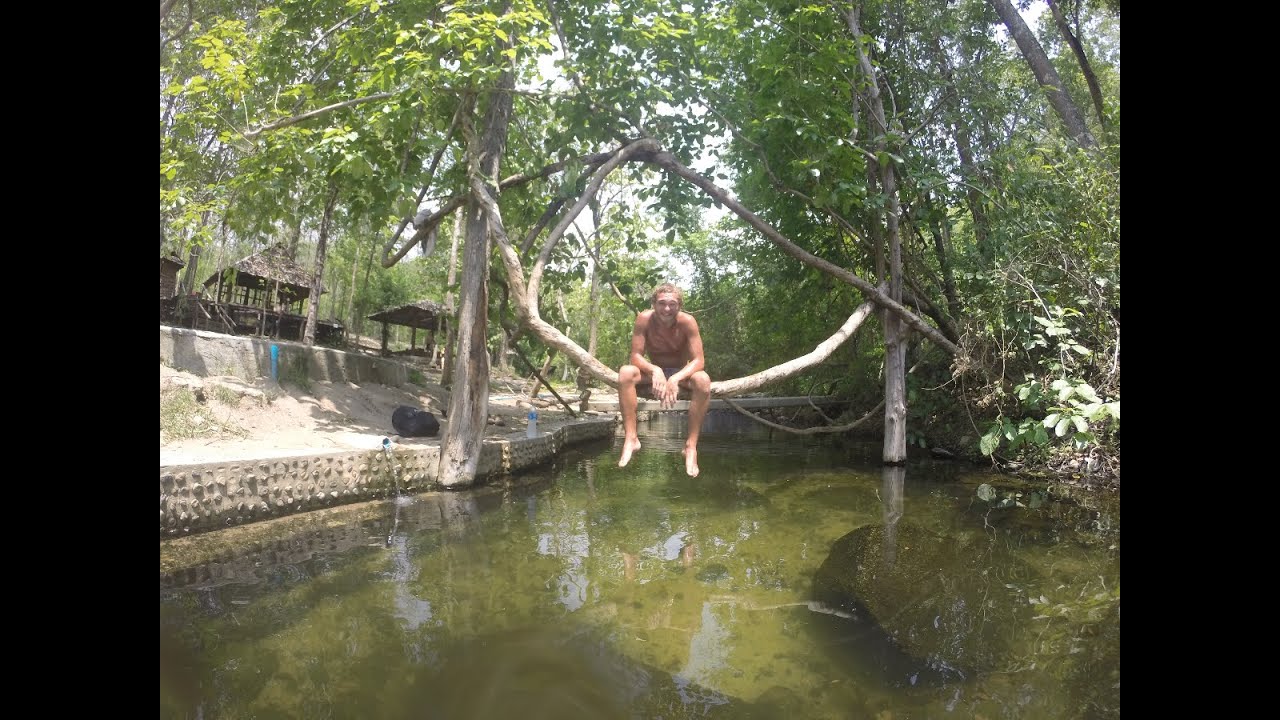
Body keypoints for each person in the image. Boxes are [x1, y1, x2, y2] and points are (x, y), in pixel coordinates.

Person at [617, 283, 711, 477]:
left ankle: (691, 446)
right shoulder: (644, 319)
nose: (667, 309)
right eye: (662, 303)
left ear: (679, 305)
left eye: (672, 304)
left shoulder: (687, 322)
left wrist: (676, 378)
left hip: (681, 373)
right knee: (626, 372)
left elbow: (699, 360)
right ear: (653, 304)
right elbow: (635, 356)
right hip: (654, 373)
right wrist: (654, 370)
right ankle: (631, 438)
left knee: (703, 379)